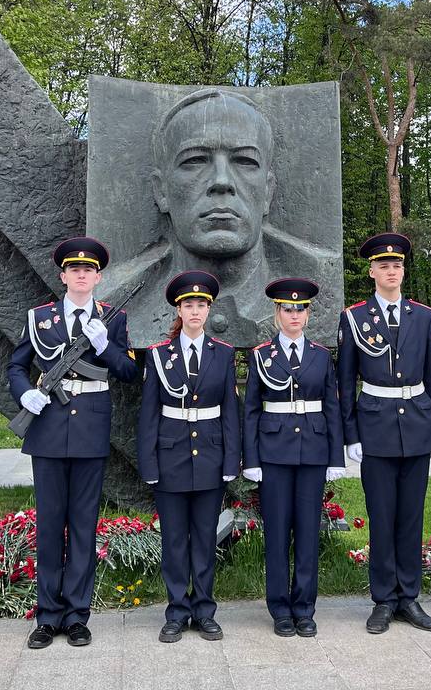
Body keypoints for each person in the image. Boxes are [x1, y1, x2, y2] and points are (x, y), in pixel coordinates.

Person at [99, 88, 339, 344]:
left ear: (268, 192)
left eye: (245, 161)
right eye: (195, 161)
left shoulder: (320, 286)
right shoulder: (120, 307)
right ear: (162, 191)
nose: (222, 181)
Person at [6, 236, 138, 650]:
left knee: (83, 527)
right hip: (47, 429)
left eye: (89, 270)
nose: (81, 275)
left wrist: (106, 346)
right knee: (49, 526)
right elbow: (16, 364)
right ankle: (47, 617)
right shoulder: (40, 318)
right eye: (74, 269)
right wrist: (24, 392)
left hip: (90, 431)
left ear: (98, 277)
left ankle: (77, 616)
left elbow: (129, 373)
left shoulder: (112, 319)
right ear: (63, 276)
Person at [337, 232, 431, 634]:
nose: (391, 271)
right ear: (372, 272)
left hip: (415, 425)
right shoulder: (354, 317)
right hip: (376, 426)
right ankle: (383, 599)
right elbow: (346, 383)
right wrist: (352, 435)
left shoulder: (425, 316)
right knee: (381, 516)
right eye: (384, 265)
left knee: (411, 517)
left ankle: (409, 598)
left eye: (397, 265)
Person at [138, 270, 240, 643]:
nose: (195, 311)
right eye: (188, 305)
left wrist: (232, 461)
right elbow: (148, 414)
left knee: (205, 540)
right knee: (174, 542)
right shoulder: (158, 356)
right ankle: (176, 611)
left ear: (209, 310)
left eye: (201, 305)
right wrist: (148, 463)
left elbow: (230, 410)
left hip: (210, 459)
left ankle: (204, 610)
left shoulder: (223, 354)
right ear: (178, 310)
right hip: (171, 460)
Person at [242, 278, 346, 637]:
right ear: (277, 313)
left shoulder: (320, 355)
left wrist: (336, 458)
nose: (295, 314)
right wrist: (251, 460)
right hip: (273, 454)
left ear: (308, 313)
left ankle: (304, 607)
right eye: (288, 309)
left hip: (314, 453)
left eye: (301, 309)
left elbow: (332, 407)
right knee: (277, 533)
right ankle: (280, 608)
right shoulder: (261, 355)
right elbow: (251, 411)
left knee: (306, 532)